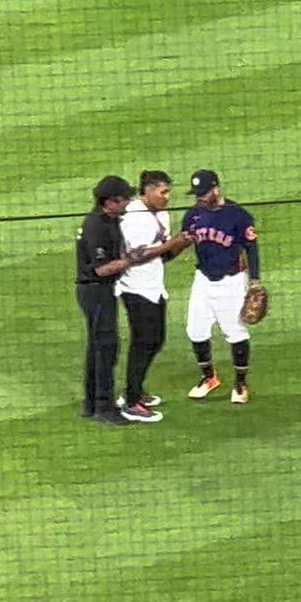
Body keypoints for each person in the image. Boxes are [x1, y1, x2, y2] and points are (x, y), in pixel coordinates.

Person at [115, 171, 192, 423]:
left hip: (154, 287)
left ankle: (133, 390)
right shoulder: (134, 216)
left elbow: (164, 256)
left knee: (155, 340)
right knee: (143, 342)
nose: (167, 197)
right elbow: (138, 255)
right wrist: (173, 243)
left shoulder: (161, 214)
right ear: (147, 191)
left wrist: (184, 242)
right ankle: (131, 402)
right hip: (134, 288)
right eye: (163, 192)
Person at [181, 169, 260, 404]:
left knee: (235, 333)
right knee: (195, 331)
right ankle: (209, 378)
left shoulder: (237, 215)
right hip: (203, 280)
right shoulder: (192, 214)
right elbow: (184, 240)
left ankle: (240, 383)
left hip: (232, 282)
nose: (200, 198)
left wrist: (255, 281)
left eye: (204, 193)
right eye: (197, 194)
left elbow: (252, 249)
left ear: (216, 188)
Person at [75, 176, 136, 426]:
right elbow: (101, 269)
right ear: (108, 202)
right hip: (96, 291)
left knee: (96, 346)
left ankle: (90, 403)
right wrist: (131, 260)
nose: (128, 203)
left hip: (96, 291)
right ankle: (104, 406)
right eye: (123, 199)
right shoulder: (97, 227)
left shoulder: (106, 220)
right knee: (106, 346)